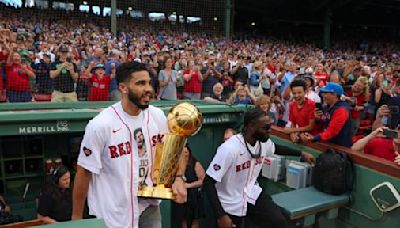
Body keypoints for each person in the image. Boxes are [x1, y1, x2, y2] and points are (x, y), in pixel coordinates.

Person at [72, 62, 187, 228]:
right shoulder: (100, 125)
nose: (148, 88)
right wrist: (76, 217)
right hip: (115, 211)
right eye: (140, 83)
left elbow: (176, 148)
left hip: (149, 205)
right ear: (123, 88)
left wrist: (178, 177)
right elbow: (83, 172)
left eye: (149, 83)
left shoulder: (157, 116)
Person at [203, 108, 315, 228]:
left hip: (252, 193)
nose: (269, 131)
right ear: (251, 126)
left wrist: (302, 153)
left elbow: (276, 148)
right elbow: (208, 182)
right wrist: (221, 216)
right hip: (230, 202)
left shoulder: (263, 143)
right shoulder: (229, 149)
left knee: (279, 221)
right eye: (265, 128)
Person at [301, 82, 353, 147]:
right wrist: (318, 119)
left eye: (326, 93)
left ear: (334, 94)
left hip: (340, 148)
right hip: (329, 143)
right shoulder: (328, 106)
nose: (323, 95)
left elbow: (331, 132)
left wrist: (314, 138)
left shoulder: (341, 110)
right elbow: (326, 121)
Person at [174, 144, 206, 228]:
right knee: (183, 219)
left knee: (194, 221)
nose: (184, 154)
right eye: (182, 152)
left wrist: (189, 185)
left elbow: (202, 180)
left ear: (189, 152)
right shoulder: (177, 166)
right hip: (182, 195)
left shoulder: (195, 163)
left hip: (194, 196)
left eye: (185, 152)